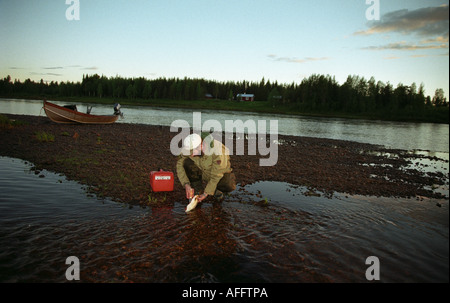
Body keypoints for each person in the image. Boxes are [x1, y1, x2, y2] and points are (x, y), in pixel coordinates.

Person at [176, 133, 236, 202]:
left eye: (194, 151)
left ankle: (217, 190)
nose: (191, 154)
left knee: (228, 183)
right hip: (203, 172)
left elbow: (217, 174)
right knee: (186, 162)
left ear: (201, 146)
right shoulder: (189, 147)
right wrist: (186, 184)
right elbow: (179, 165)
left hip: (218, 174)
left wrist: (206, 193)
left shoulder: (218, 150)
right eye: (190, 151)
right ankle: (197, 189)